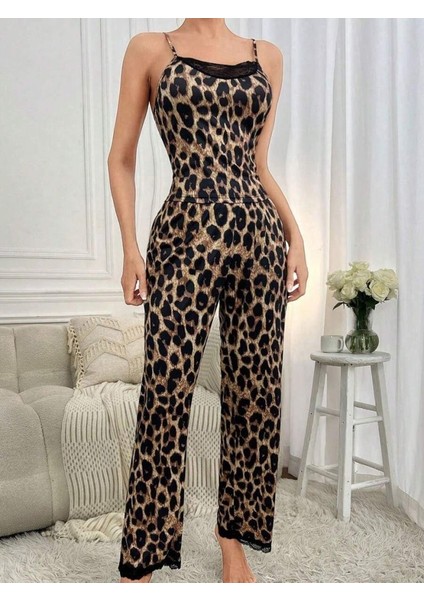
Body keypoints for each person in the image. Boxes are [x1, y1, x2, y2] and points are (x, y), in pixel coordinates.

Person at [107, 18, 308, 584]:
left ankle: (232, 540)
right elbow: (120, 158)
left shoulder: (267, 56)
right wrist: (130, 250)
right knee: (165, 393)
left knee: (254, 394)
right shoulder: (151, 49)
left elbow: (259, 167)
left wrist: (294, 237)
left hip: (259, 240)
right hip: (183, 234)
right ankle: (144, 551)